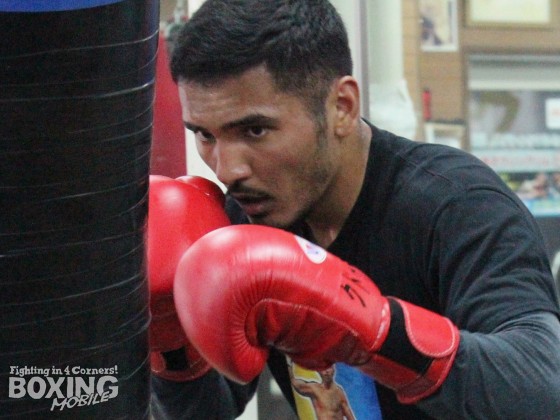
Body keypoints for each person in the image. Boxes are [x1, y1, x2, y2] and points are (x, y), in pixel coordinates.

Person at [149, 0, 560, 418]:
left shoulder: (457, 206)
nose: (227, 169)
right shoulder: (249, 220)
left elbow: (544, 390)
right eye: (205, 135)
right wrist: (172, 346)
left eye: (255, 130)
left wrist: (377, 332)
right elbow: (204, 412)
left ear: (341, 107)